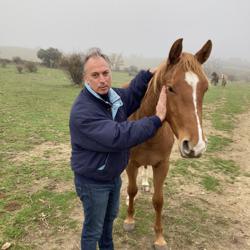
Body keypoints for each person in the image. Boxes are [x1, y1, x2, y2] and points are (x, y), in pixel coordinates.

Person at [69, 48, 167, 250]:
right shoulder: (83, 111)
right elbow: (119, 136)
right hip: (93, 182)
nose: (102, 79)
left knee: (108, 224)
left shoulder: (111, 97)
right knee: (93, 230)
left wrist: (152, 72)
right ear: (86, 79)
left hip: (112, 177)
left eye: (105, 73)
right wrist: (156, 119)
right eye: (95, 75)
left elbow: (132, 93)